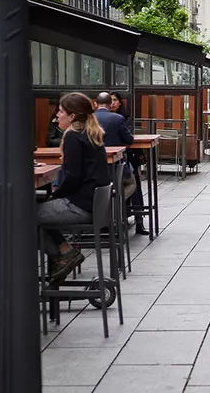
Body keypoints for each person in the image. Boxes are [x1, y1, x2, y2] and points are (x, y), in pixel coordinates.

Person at [37, 92, 111, 283]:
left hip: (79, 206)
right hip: (92, 205)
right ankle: (63, 251)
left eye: (60, 112)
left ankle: (63, 255)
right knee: (35, 212)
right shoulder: (90, 134)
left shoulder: (73, 137)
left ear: (72, 116)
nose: (56, 116)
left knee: (24, 216)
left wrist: (56, 195)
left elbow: (73, 176)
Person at [110, 91, 149, 235]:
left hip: (126, 158)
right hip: (109, 161)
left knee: (134, 184)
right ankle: (117, 218)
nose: (112, 103)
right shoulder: (102, 119)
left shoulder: (126, 118)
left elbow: (128, 138)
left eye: (115, 100)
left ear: (120, 102)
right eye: (110, 100)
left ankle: (139, 221)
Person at [94, 92, 136, 202]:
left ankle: (104, 205)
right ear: (110, 104)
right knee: (131, 183)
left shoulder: (88, 119)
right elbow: (129, 140)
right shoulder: (118, 119)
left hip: (93, 166)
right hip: (116, 167)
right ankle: (115, 203)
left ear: (95, 104)